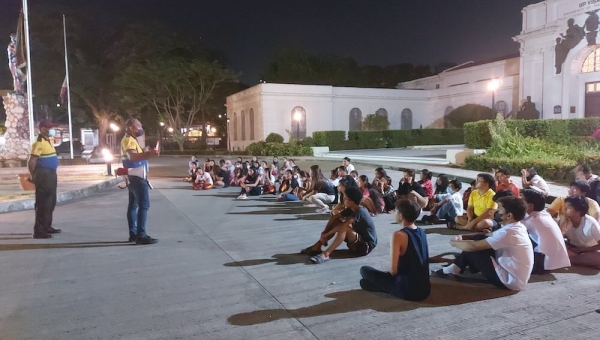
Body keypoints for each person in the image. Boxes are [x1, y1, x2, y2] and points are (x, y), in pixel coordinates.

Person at [435, 196, 534, 290]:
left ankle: (455, 268)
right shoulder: (516, 226)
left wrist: (453, 242)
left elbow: (473, 247)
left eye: (499, 209)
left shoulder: (509, 232)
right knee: (479, 238)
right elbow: (488, 235)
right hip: (513, 274)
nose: (496, 211)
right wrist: (464, 236)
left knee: (474, 249)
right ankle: (456, 267)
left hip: (510, 281)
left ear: (509, 215)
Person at [359, 199, 430, 301]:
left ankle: (388, 288)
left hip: (407, 290)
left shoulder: (399, 235)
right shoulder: (421, 232)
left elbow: (393, 271)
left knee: (364, 270)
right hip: (425, 290)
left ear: (401, 216)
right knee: (365, 283)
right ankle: (383, 287)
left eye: (396, 212)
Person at [303, 187, 378, 264]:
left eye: (345, 198)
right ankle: (317, 247)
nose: (343, 200)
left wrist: (326, 235)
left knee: (344, 228)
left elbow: (343, 226)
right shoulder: (351, 209)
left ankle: (326, 254)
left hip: (366, 247)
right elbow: (334, 218)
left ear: (352, 201)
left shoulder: (360, 212)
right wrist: (325, 232)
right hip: (357, 240)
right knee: (336, 221)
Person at [121, 118, 158, 245]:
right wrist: (149, 154)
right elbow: (133, 157)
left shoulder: (131, 140)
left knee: (133, 206)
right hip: (137, 178)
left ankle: (134, 234)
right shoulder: (129, 140)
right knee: (144, 205)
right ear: (131, 128)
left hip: (133, 177)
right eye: (139, 126)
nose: (141, 128)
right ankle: (141, 235)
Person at [521, 189, 571, 273]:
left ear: (530, 205)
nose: (518, 201)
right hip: (553, 261)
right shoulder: (543, 214)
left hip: (542, 263)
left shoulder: (532, 220)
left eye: (521, 199)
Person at [28, 119, 61, 238]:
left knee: (51, 202)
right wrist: (34, 176)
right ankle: (39, 231)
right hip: (43, 175)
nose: (53, 130)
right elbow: (32, 161)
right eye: (50, 128)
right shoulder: (38, 142)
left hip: (51, 174)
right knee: (43, 203)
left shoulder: (48, 140)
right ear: (43, 129)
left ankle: (47, 226)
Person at [561, 196, 600, 269]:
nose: (565, 209)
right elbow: (558, 240)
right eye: (565, 207)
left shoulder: (591, 223)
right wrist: (562, 230)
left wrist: (582, 250)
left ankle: (569, 260)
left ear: (579, 212)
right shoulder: (564, 219)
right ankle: (578, 260)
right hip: (571, 248)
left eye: (569, 208)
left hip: (588, 250)